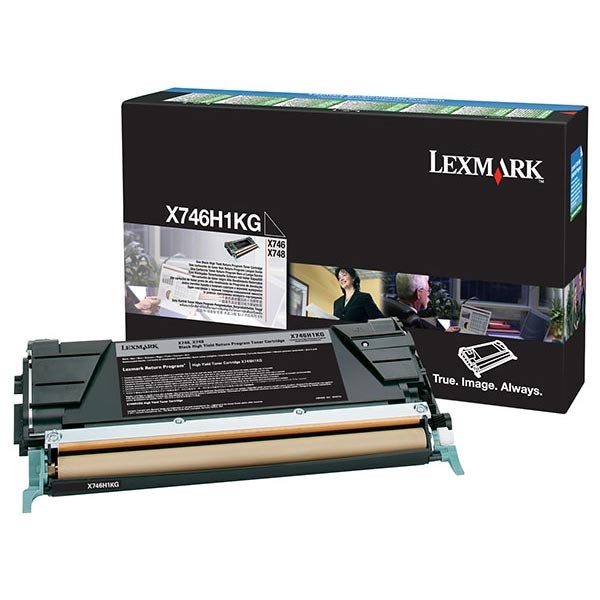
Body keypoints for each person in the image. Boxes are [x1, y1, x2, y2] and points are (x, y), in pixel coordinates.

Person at [393, 273, 460, 332]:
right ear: (418, 293)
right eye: (428, 290)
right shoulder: (415, 323)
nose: (428, 294)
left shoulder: (391, 311)